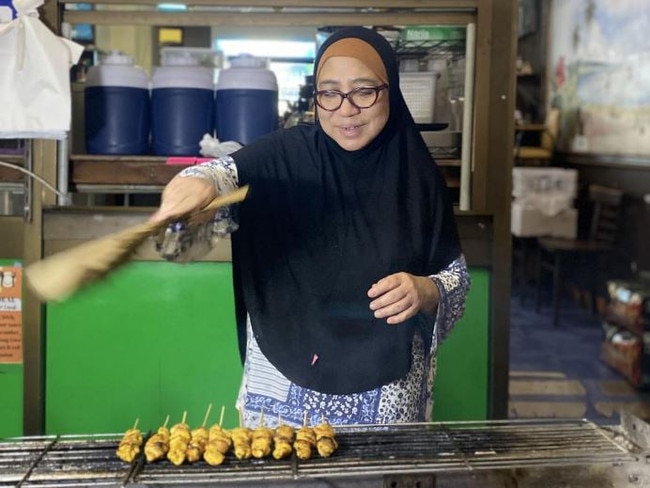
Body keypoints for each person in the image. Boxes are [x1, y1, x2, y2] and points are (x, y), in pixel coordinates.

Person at [150, 26, 470, 428]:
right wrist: (192, 185)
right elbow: (222, 173)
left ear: (391, 90)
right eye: (329, 93)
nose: (346, 109)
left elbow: (455, 277)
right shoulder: (284, 154)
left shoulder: (418, 176)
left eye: (364, 91)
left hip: (385, 390)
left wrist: (428, 291)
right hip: (282, 386)